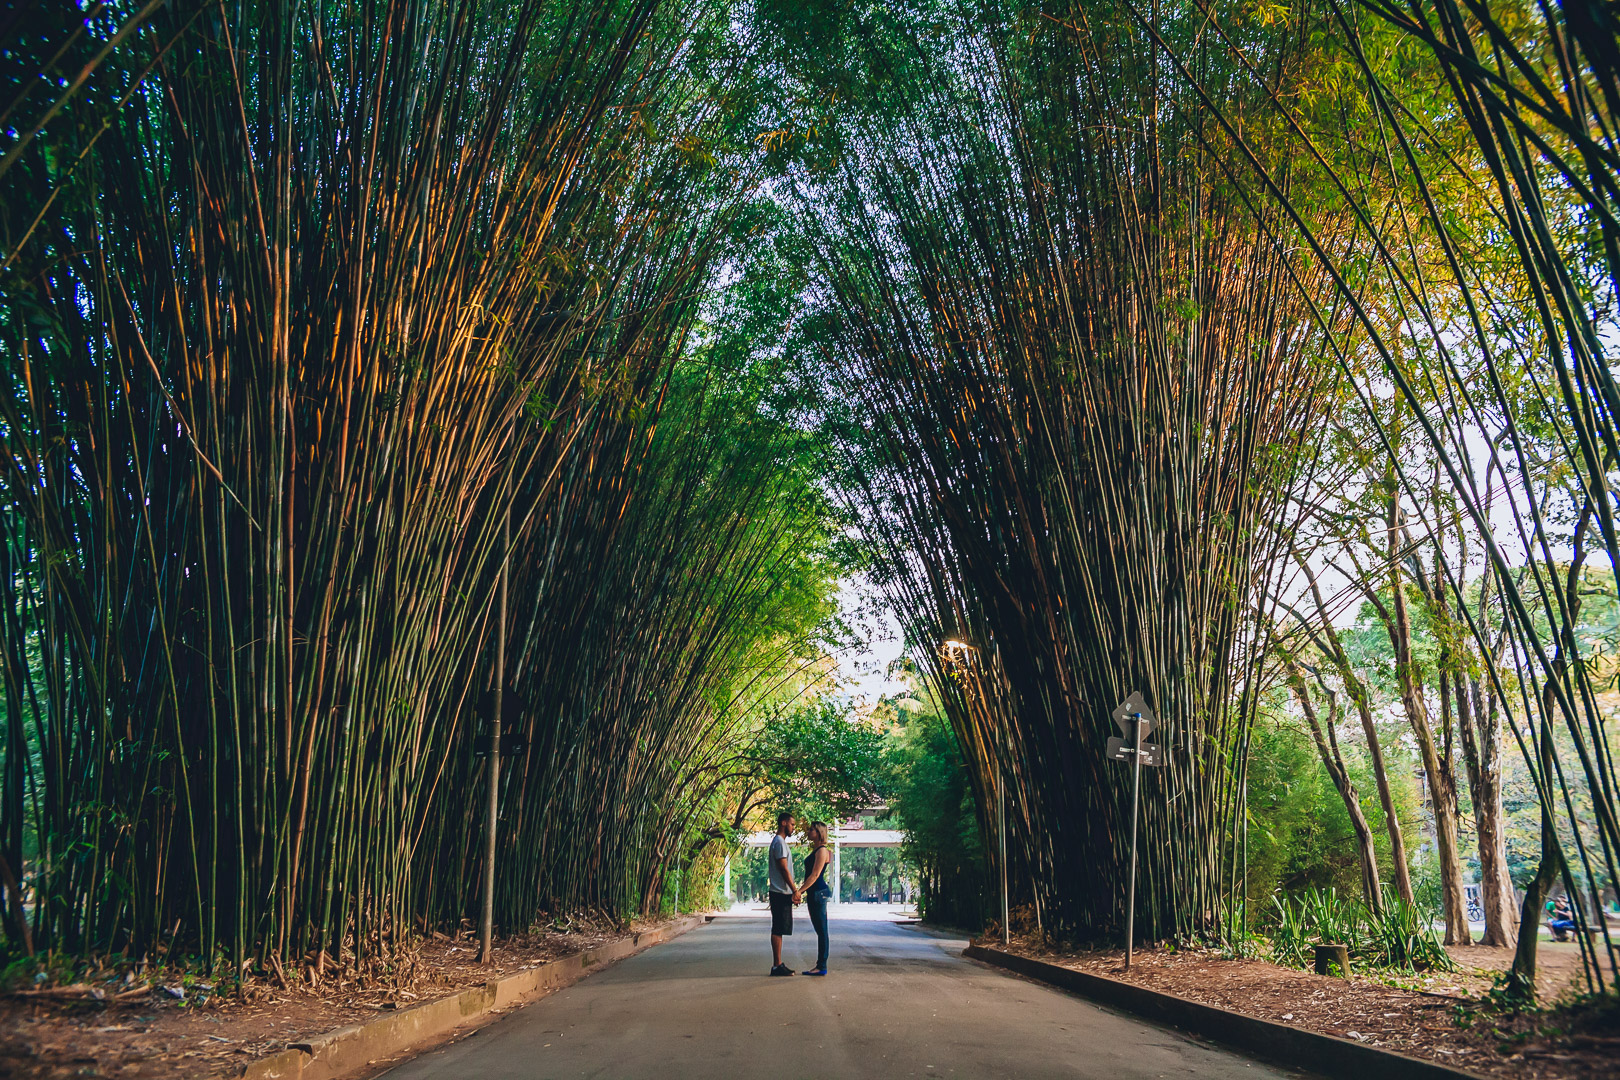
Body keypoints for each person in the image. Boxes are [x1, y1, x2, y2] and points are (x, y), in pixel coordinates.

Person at [768, 812, 800, 976]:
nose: (793, 828)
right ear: (783, 823)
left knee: (780, 928)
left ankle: (778, 964)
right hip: (779, 891)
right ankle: (777, 965)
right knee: (778, 928)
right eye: (792, 824)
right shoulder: (779, 842)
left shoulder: (780, 842)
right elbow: (783, 868)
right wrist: (794, 889)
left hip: (781, 892)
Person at [800, 821, 833, 975]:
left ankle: (822, 966)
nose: (809, 831)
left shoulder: (822, 851)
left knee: (822, 930)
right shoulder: (817, 850)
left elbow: (815, 875)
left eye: (812, 829)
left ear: (819, 833)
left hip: (818, 892)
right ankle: (821, 965)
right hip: (813, 892)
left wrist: (799, 891)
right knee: (820, 929)